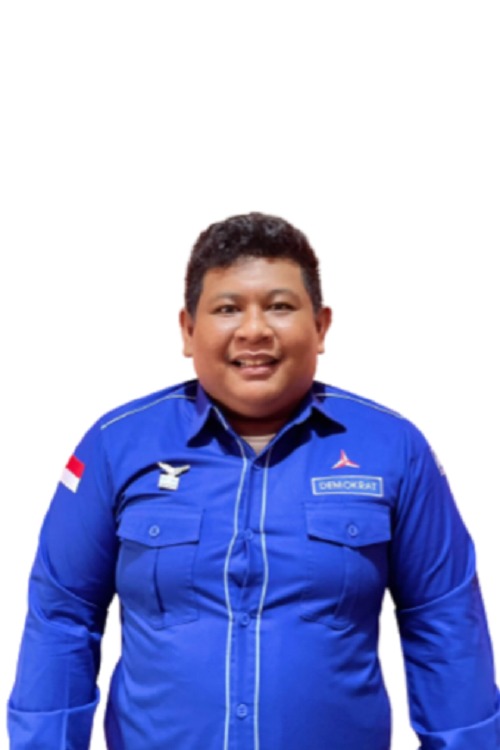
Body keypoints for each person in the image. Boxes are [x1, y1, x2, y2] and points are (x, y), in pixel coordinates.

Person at [8, 212, 500, 750]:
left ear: (321, 326)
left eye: (280, 306)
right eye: (227, 309)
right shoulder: (116, 445)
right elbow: (62, 618)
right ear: (188, 330)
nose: (254, 331)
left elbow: (445, 623)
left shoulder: (393, 448)